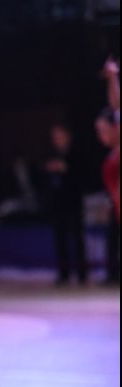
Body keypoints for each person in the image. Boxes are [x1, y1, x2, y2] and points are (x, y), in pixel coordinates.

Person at [39, 123, 87, 285]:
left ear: (68, 136)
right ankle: (64, 273)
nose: (57, 140)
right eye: (54, 137)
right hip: (57, 203)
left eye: (60, 136)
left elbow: (82, 176)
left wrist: (65, 169)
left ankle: (81, 274)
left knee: (77, 238)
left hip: (73, 202)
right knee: (60, 238)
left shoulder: (77, 154)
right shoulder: (51, 155)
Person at [96, 57, 120, 284]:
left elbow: (116, 106)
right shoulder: (111, 157)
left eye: (103, 130)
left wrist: (113, 78)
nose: (100, 136)